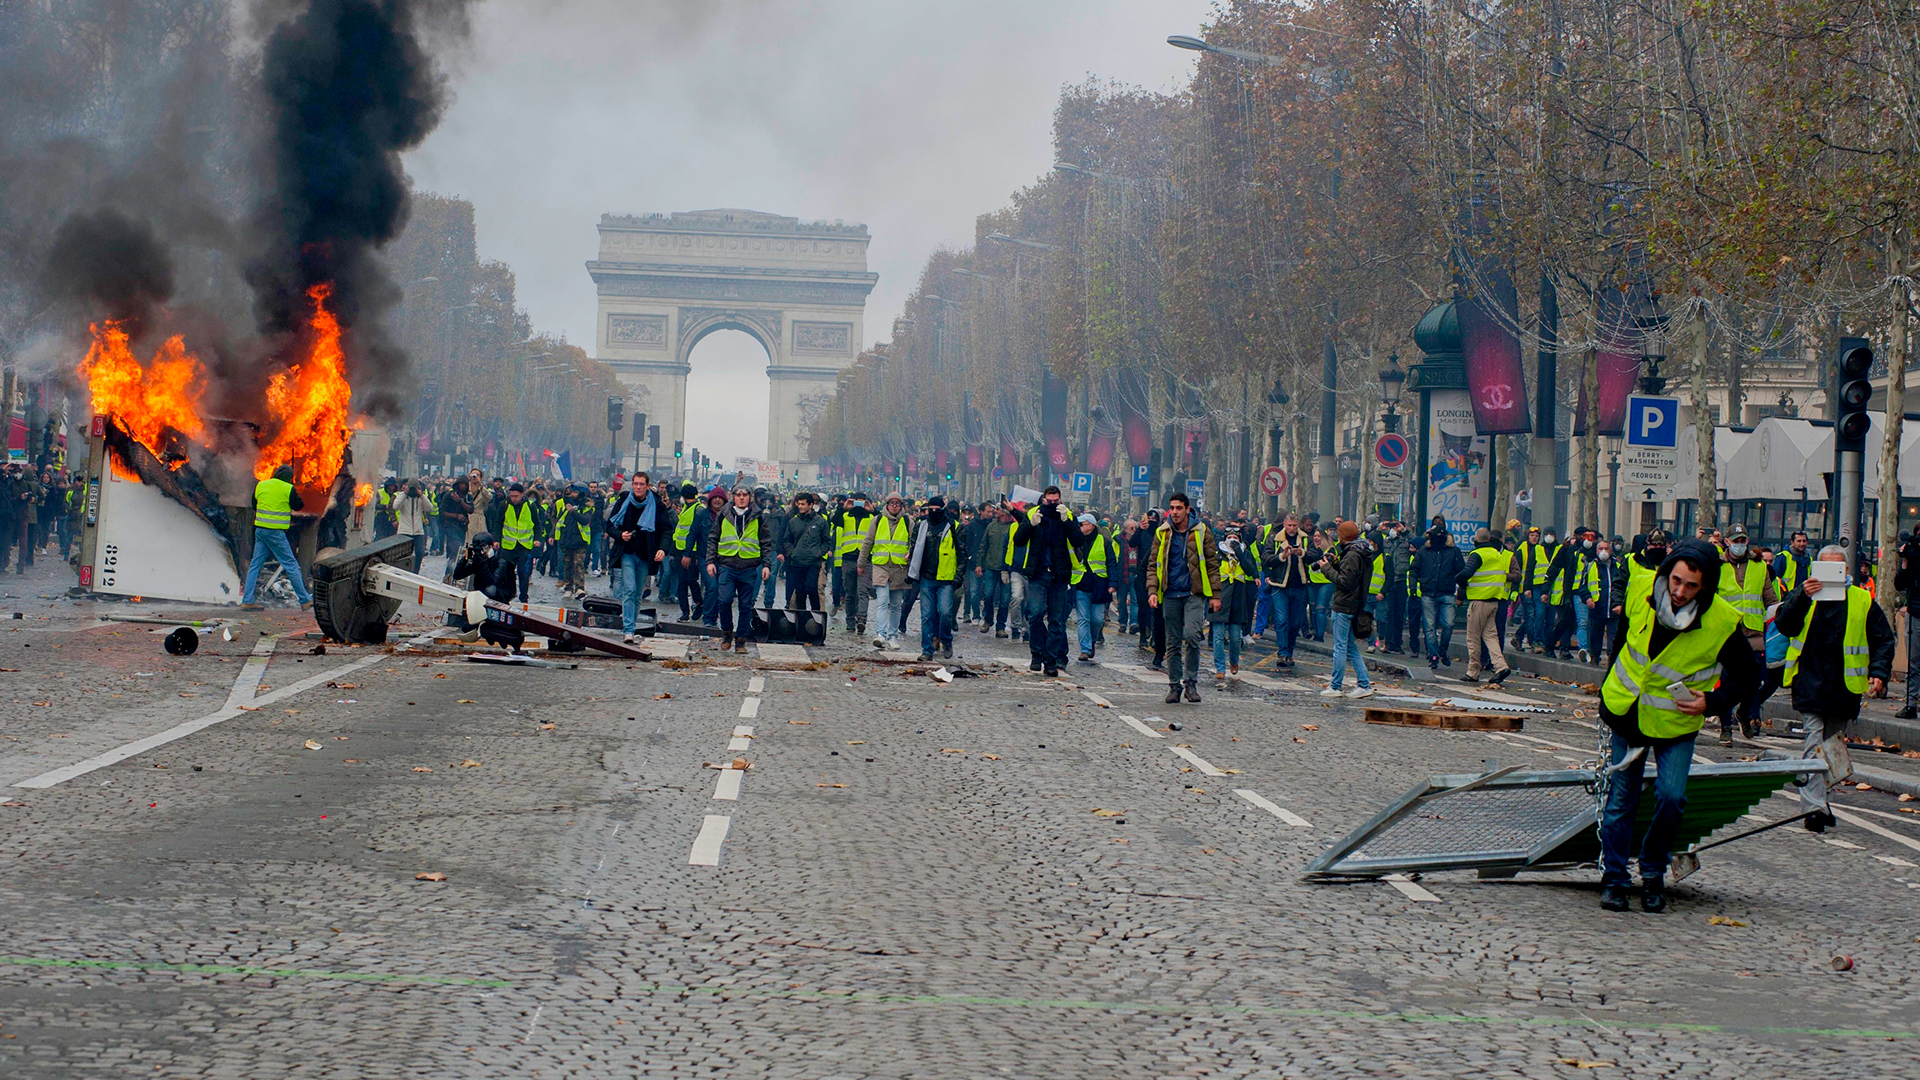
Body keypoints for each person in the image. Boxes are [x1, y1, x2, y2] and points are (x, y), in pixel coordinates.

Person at [1597, 539, 1761, 912]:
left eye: (1691, 586)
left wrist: (1713, 702)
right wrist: (1608, 693)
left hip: (1676, 721)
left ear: (1705, 587)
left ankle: (1653, 872)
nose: (1680, 591)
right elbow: (1622, 643)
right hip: (1629, 713)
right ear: (1666, 573)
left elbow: (1748, 676)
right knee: (1622, 800)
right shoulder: (1641, 591)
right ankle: (1616, 880)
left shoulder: (1720, 619)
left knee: (1672, 798)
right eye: (1676, 580)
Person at [1776, 544, 1896, 829]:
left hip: (1843, 689)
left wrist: (1879, 673)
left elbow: (1883, 639)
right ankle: (1814, 808)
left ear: (1846, 571)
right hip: (1809, 683)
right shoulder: (1805, 596)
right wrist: (1802, 597)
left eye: (1837, 569)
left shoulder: (1861, 600)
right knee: (1813, 745)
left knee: (1831, 751)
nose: (1831, 575)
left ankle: (1821, 801)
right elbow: (1785, 625)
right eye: (1825, 569)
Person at [1147, 492, 1221, 704]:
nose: (1176, 512)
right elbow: (1153, 564)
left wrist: (1215, 595)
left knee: (1192, 636)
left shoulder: (1202, 531)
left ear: (1188, 509)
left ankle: (1191, 683)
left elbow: (1212, 564)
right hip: (1170, 593)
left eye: (1179, 508)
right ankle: (1174, 686)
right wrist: (1152, 590)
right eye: (1172, 508)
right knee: (1172, 642)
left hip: (1193, 593)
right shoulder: (1162, 532)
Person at [1718, 525, 1777, 743]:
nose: (1739, 544)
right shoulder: (1718, 565)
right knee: (1724, 681)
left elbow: (1770, 598)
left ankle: (1743, 713)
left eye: (1742, 540)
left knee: (1755, 680)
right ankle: (1725, 727)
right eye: (1735, 540)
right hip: (1725, 632)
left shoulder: (1758, 566)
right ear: (1727, 541)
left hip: (1753, 633)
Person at [1013, 486, 1077, 676]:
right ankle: (1036, 653)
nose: (1052, 504)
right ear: (1043, 500)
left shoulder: (1067, 515)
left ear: (1060, 500)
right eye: (1049, 501)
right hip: (1038, 573)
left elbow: (1078, 540)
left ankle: (1051, 660)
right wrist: (1030, 524)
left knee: (1057, 620)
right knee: (1035, 614)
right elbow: (1019, 540)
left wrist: (1067, 522)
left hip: (1059, 574)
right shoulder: (1034, 513)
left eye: (1055, 501)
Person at [704, 485, 774, 653]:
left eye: (745, 495)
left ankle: (741, 640)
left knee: (746, 606)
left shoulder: (759, 516)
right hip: (727, 565)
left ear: (750, 497)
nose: (741, 498)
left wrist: (766, 565)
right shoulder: (723, 514)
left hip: (749, 567)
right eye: (738, 495)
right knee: (724, 600)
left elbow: (765, 542)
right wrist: (710, 561)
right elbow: (713, 538)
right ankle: (727, 633)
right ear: (733, 497)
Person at [1315, 520, 1376, 698]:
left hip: (1344, 605)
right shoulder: (1361, 552)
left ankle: (1336, 686)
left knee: (1340, 647)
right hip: (1355, 604)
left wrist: (1326, 568)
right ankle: (1363, 684)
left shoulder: (1352, 555)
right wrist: (1335, 564)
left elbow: (1344, 582)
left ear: (1343, 536)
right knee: (1349, 647)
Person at [241, 464, 312, 609]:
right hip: (275, 533)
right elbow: (299, 505)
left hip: (260, 530)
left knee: (255, 565)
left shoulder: (261, 485)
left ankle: (247, 600)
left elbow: (254, 505)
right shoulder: (288, 488)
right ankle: (305, 600)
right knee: (291, 565)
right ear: (288, 478)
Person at [606, 472, 666, 642]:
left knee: (638, 592)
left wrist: (663, 549)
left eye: (641, 484)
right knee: (630, 588)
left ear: (647, 486)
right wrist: (620, 535)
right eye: (635, 484)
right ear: (632, 485)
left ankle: (632, 624)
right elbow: (609, 525)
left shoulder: (657, 505)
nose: (638, 487)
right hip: (627, 552)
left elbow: (666, 529)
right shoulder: (624, 501)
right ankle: (628, 629)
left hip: (646, 554)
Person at [908, 496, 968, 660]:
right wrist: (911, 572)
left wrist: (958, 577)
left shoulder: (955, 527)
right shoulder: (921, 526)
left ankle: (946, 640)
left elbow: (962, 554)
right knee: (927, 615)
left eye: (937, 509)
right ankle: (927, 650)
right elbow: (914, 549)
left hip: (946, 579)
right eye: (930, 509)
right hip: (926, 577)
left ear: (943, 510)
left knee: (945, 613)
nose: (933, 513)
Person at [1460, 527, 1519, 685]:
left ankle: (1473, 671)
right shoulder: (1498, 555)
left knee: (1473, 638)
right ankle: (1500, 666)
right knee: (1491, 637)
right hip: (1495, 601)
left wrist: (1457, 580)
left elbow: (1466, 573)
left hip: (1479, 601)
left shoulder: (1477, 554)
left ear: (1476, 540)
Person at [856, 492, 914, 653]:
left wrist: (911, 553)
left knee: (896, 604)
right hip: (880, 565)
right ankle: (881, 634)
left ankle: (893, 636)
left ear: (901, 506)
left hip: (899, 567)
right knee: (882, 601)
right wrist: (861, 563)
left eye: (897, 503)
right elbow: (867, 542)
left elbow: (913, 541)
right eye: (891, 503)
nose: (894, 506)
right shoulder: (878, 520)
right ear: (886, 505)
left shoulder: (908, 521)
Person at [1260, 513, 1316, 669]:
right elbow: (1266, 557)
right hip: (1279, 585)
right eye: (1289, 525)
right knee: (1282, 620)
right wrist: (1281, 556)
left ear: (1298, 525)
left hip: (1299, 586)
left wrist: (1302, 553)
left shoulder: (1305, 539)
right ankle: (1282, 652)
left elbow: (1315, 555)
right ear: (1284, 525)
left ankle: (1289, 653)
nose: (1292, 529)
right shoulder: (1275, 539)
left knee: (1294, 623)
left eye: (1294, 525)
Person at [1414, 524, 1464, 670]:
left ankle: (1442, 650)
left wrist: (1460, 593)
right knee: (1430, 627)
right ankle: (1434, 655)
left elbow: (1461, 572)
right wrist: (1413, 586)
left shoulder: (1454, 552)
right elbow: (1414, 569)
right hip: (1429, 593)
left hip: (1446, 592)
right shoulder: (1424, 551)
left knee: (1448, 624)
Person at [1209, 529, 1256, 686]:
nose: (1231, 540)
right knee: (1218, 636)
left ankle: (1234, 661)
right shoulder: (1217, 553)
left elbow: (1251, 571)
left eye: (1235, 538)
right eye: (1229, 537)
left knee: (1235, 638)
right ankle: (1220, 668)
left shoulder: (1244, 553)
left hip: (1237, 598)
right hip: (1219, 597)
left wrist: (1239, 553)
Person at [1070, 512, 1113, 664]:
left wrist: (1113, 584)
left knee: (1097, 620)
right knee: (1083, 619)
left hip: (1099, 586)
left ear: (1091, 525)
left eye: (1082, 524)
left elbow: (1111, 563)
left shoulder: (1104, 541)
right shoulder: (1076, 540)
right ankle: (1085, 649)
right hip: (1081, 585)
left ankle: (1092, 641)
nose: (1080, 527)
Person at [780, 492, 833, 612]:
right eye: (798, 504)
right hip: (797, 562)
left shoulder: (820, 522)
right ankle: (801, 619)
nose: (800, 506)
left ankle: (816, 616)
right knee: (800, 592)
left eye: (803, 504)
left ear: (811, 505)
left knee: (811, 588)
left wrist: (818, 552)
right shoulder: (793, 522)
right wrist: (792, 553)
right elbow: (786, 539)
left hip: (813, 563)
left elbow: (826, 541)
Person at [451, 532, 518, 620]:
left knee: (490, 589)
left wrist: (482, 562)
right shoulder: (478, 561)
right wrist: (465, 559)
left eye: (484, 547)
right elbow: (457, 575)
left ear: (490, 547)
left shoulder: (500, 562)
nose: (482, 550)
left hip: (498, 598)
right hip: (480, 598)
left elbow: (492, 581)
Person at [837, 493, 875, 636]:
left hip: (866, 560)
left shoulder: (873, 518)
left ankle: (861, 619)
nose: (859, 506)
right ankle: (850, 622)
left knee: (863, 591)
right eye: (856, 502)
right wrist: (844, 508)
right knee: (850, 593)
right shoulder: (845, 516)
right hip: (848, 558)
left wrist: (872, 509)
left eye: (862, 503)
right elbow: (834, 521)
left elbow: (883, 523)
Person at [496, 483, 541, 603]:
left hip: (524, 545)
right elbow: (498, 523)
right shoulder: (504, 505)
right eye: (512, 496)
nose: (514, 498)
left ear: (522, 494)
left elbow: (537, 524)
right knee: (507, 573)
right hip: (508, 545)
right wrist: (496, 540)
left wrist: (537, 539)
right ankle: (509, 594)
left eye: (516, 496)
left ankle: (524, 597)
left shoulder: (530, 506)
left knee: (523, 573)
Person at [1580, 538, 1620, 666]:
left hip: (1613, 608)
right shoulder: (1591, 566)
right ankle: (1595, 657)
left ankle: (1611, 659)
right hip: (1597, 608)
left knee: (1614, 636)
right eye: (1600, 549)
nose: (1603, 551)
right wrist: (1588, 598)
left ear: (1611, 550)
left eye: (1606, 549)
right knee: (1595, 635)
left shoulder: (1618, 566)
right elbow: (1583, 586)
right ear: (1596, 551)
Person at [1895, 531, 1920, 720]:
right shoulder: (1912, 557)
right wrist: (1905, 563)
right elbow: (1899, 584)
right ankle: (1911, 704)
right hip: (1916, 614)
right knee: (1914, 662)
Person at [980, 503, 1014, 637]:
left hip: (1007, 569)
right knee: (988, 595)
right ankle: (988, 620)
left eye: (998, 510)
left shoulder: (1012, 527)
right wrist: (979, 564)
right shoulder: (991, 526)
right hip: (991, 567)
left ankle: (1001, 627)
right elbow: (984, 546)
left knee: (1005, 600)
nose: (995, 511)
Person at [556, 487, 593, 597]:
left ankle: (579, 587)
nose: (573, 494)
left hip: (580, 541)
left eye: (575, 492)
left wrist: (573, 512)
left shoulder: (586, 507)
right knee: (567, 565)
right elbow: (559, 521)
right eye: (572, 492)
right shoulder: (566, 505)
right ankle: (568, 587)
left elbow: (585, 520)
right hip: (567, 540)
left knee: (578, 564)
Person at [392, 478, 433, 574]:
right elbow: (396, 507)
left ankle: (415, 572)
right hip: (404, 531)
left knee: (420, 553)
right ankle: (403, 571)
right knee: (403, 554)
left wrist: (422, 495)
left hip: (418, 531)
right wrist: (404, 493)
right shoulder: (401, 496)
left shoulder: (421, 498)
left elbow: (429, 508)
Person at [1772, 530, 1811, 596]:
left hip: (1803, 598)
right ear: (1792, 542)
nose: (1802, 544)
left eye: (1804, 541)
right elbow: (1774, 580)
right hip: (1786, 598)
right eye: (1799, 541)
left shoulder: (1809, 559)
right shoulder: (1783, 557)